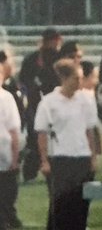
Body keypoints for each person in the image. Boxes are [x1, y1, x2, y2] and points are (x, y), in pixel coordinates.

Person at [35, 59, 101, 230]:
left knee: (80, 205)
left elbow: (89, 130)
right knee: (60, 206)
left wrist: (92, 156)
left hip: (81, 157)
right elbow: (42, 134)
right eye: (76, 78)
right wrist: (44, 160)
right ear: (64, 78)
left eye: (81, 78)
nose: (79, 82)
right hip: (60, 158)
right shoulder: (49, 102)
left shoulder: (85, 100)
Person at [18, 27, 62, 181]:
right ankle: (30, 172)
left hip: (56, 103)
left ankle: (55, 168)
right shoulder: (32, 59)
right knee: (35, 138)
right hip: (35, 104)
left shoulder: (60, 58)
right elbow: (23, 81)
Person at [0, 49, 23, 230]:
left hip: (4, 158)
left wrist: (15, 158)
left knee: (4, 203)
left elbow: (14, 131)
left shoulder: (6, 97)